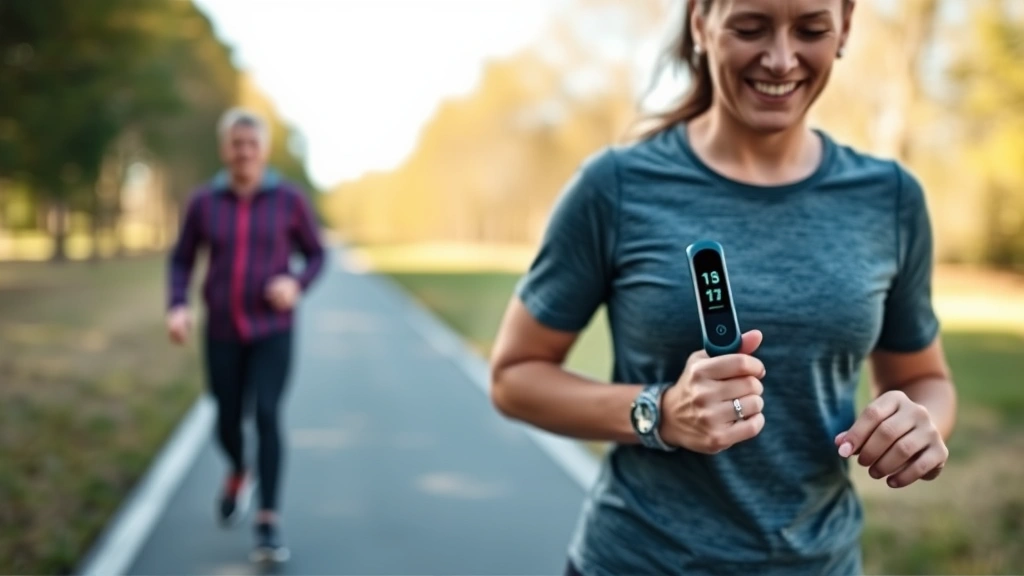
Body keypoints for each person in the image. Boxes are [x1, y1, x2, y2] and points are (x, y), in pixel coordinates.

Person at [489, 0, 957, 574]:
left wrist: (922, 423)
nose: (781, 59)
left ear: (845, 29)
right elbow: (513, 378)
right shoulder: (614, 188)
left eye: (810, 29)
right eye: (750, 27)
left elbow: (923, 378)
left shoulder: (890, 199)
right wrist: (658, 412)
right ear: (700, 26)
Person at [166, 107, 325, 563]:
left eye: (252, 144)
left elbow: (316, 255)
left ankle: (268, 521)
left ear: (265, 150)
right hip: (221, 330)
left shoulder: (289, 201)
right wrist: (177, 305)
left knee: (269, 414)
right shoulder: (203, 203)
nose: (244, 152)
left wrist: (296, 283)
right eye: (236, 144)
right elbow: (181, 259)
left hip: (273, 329)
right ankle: (238, 469)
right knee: (226, 419)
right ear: (225, 149)